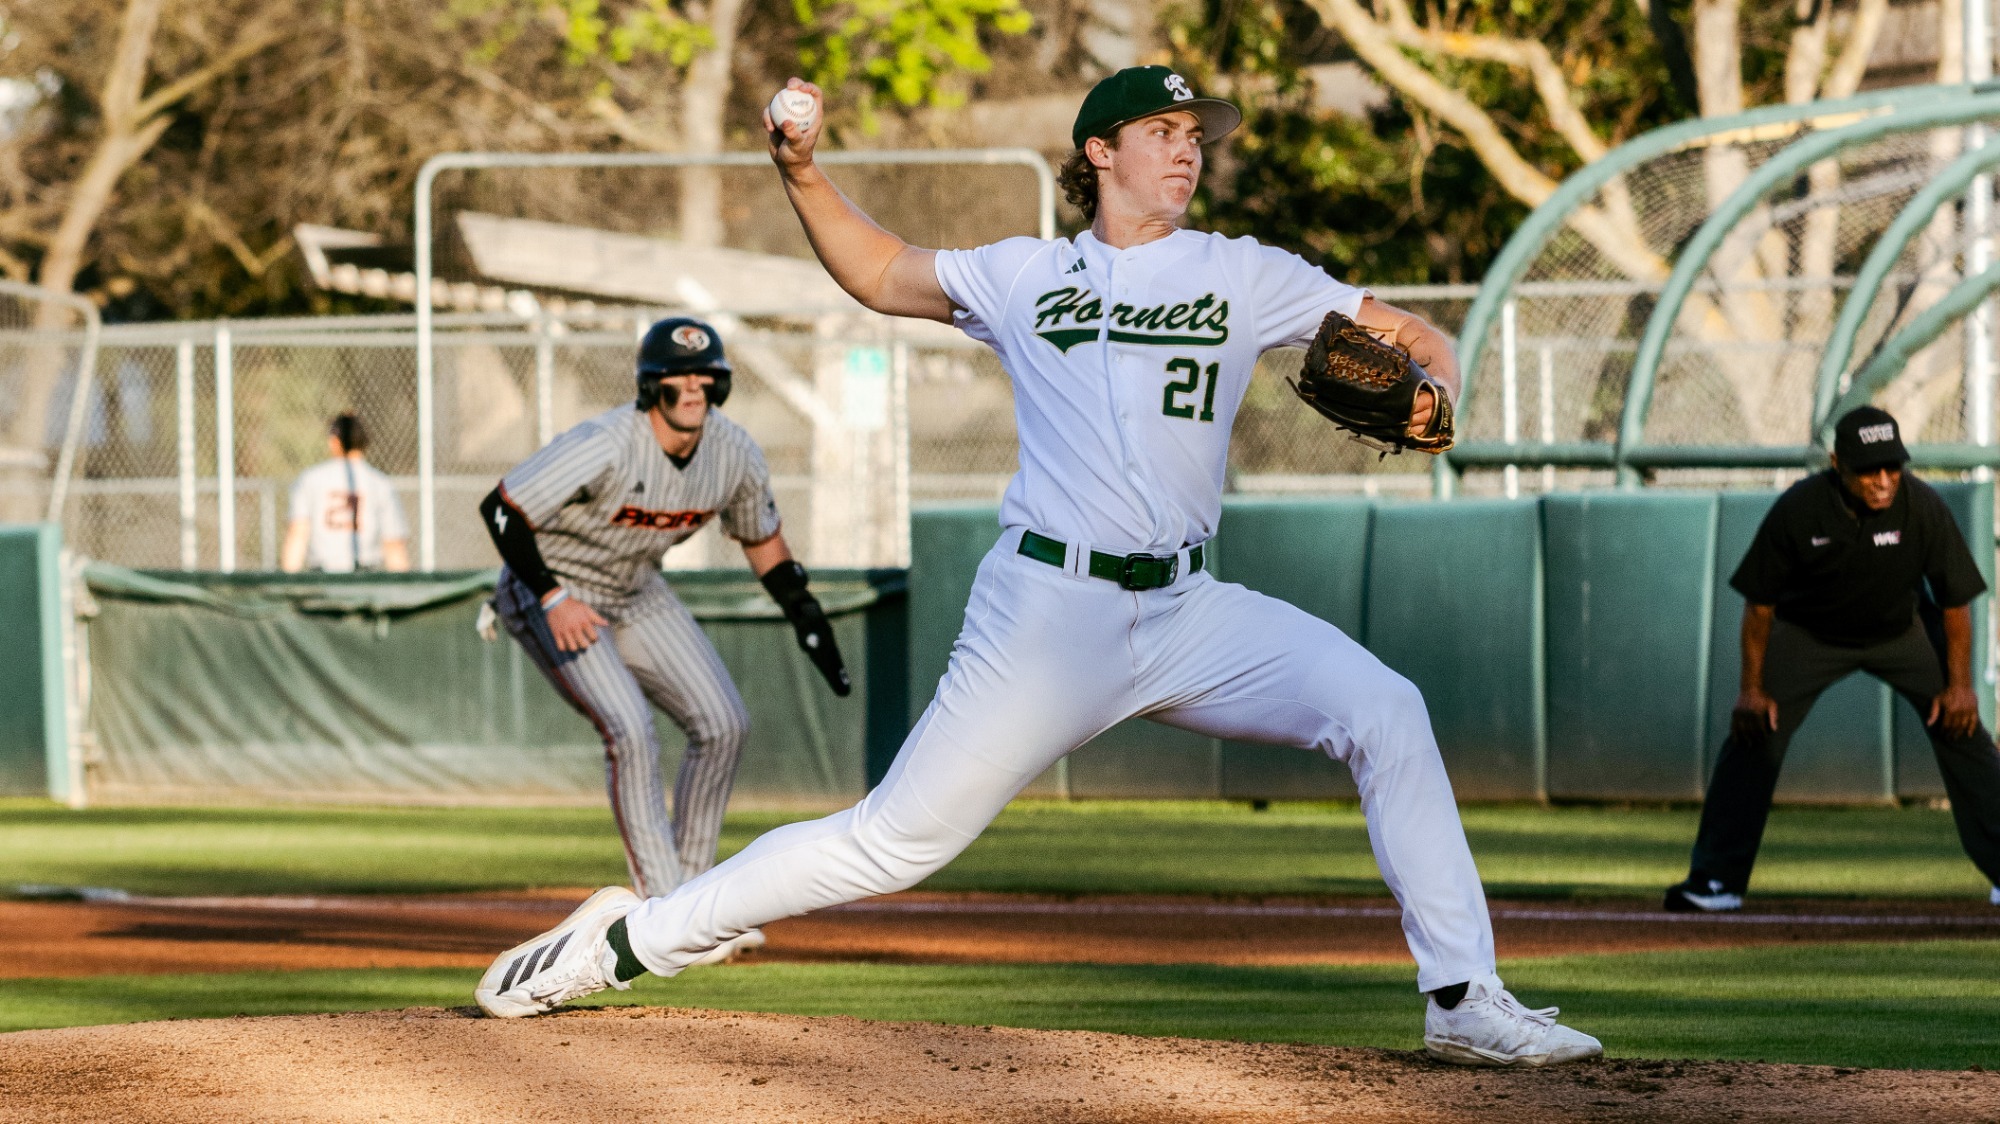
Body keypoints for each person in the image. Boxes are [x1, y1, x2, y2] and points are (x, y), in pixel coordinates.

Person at [475, 67, 1601, 1068]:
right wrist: (802, 170)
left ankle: (1462, 998)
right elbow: (878, 271)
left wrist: (1438, 384)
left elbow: (1408, 334)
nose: (1185, 147)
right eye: (1161, 129)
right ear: (1098, 154)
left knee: (1384, 708)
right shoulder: (1022, 275)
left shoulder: (1243, 273)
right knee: (892, 839)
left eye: (1196, 134)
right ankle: (624, 938)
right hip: (1047, 611)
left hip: (1186, 607)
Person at [475, 317, 851, 962]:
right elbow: (503, 509)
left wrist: (805, 613)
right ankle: (661, 913)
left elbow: (760, 539)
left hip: (634, 585)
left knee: (724, 722)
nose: (694, 387)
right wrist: (552, 596)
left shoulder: (731, 451)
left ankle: (696, 905)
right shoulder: (607, 441)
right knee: (630, 729)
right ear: (652, 386)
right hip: (553, 586)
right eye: (679, 377)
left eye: (706, 375)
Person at [1666, 406, 2000, 913]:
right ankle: (1716, 879)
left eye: (1892, 467)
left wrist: (1960, 686)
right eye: (1869, 470)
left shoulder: (1922, 506)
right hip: (1810, 635)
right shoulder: (1801, 509)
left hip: (1901, 630)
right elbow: (1760, 606)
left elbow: (1955, 602)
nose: (1883, 480)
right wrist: (1751, 690)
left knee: (1964, 729)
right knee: (1754, 733)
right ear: (1837, 463)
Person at [280, 414, 411, 573]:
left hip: (323, 578)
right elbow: (393, 546)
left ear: (334, 441)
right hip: (365, 578)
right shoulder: (380, 483)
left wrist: (289, 585)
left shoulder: (310, 479)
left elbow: (298, 534)